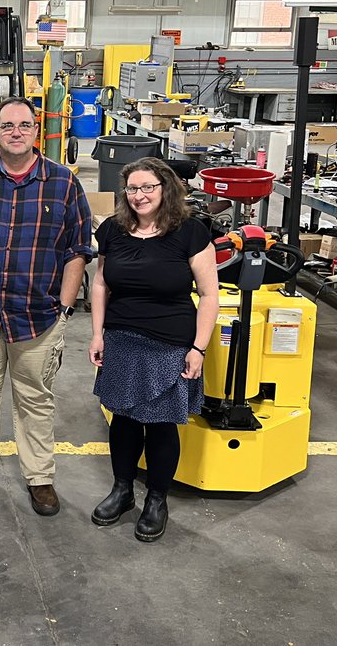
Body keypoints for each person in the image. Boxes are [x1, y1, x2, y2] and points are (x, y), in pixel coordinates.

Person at [0, 97, 93, 516]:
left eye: (24, 125)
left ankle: (39, 476)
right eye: (7, 125)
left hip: (38, 317)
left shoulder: (63, 183)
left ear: (36, 131)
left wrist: (64, 308)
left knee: (36, 400)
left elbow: (77, 250)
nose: (16, 132)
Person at [88, 156, 219, 542]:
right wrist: (97, 334)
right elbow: (101, 284)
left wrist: (198, 348)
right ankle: (122, 490)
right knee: (124, 419)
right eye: (132, 188)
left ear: (166, 189)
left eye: (148, 187)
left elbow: (209, 295)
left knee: (161, 423)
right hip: (121, 339)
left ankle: (157, 500)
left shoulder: (190, 232)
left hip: (170, 343)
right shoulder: (113, 230)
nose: (139, 195)